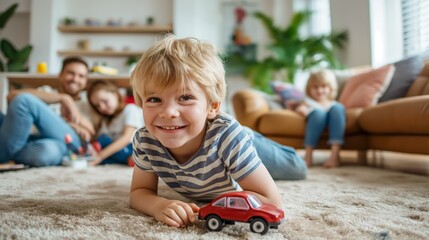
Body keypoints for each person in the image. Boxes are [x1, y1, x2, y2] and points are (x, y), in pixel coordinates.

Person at [129, 34, 306, 228]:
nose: (168, 112)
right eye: (154, 99)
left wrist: (220, 205)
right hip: (223, 143)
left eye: (185, 97)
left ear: (212, 106)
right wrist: (158, 205)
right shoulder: (145, 139)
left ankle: (249, 138)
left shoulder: (228, 137)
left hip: (232, 140)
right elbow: (139, 192)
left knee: (297, 167)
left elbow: (272, 202)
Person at [0, 57, 95, 167]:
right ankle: (10, 155)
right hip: (28, 139)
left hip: (67, 143)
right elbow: (12, 97)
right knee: (46, 152)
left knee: (48, 152)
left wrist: (71, 124)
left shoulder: (88, 101)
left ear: (86, 81)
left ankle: (4, 155)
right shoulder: (47, 91)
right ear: (60, 75)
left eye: (81, 76)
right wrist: (63, 98)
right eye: (70, 73)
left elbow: (92, 132)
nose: (75, 79)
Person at [294, 70, 346, 168]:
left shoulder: (333, 104)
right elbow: (300, 108)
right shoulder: (308, 102)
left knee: (338, 108)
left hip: (333, 121)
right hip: (316, 120)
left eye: (323, 86)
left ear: (330, 88)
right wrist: (302, 110)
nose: (319, 90)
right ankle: (308, 155)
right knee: (318, 113)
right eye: (315, 87)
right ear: (309, 89)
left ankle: (335, 155)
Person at [86, 80, 143, 166]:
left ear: (116, 94)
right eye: (97, 106)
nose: (102, 107)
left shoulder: (130, 109)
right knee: (103, 139)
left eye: (105, 101)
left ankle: (134, 158)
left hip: (132, 147)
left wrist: (100, 156)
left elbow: (126, 138)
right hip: (115, 152)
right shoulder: (106, 121)